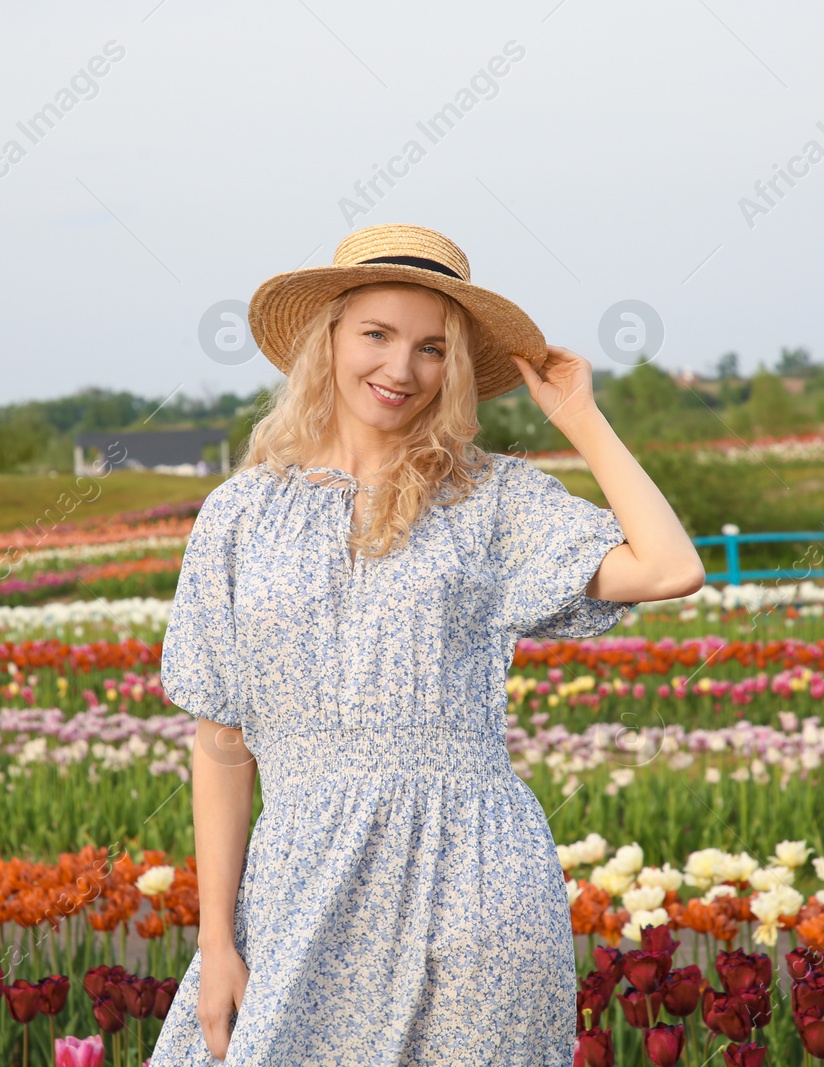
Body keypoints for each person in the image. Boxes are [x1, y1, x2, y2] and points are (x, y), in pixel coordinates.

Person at [148, 223, 705, 1065]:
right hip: (301, 884)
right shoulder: (240, 513)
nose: (401, 369)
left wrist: (579, 419)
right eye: (377, 334)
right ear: (327, 336)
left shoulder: (489, 499)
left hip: (477, 883)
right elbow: (222, 743)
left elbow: (668, 565)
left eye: (432, 348)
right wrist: (218, 941)